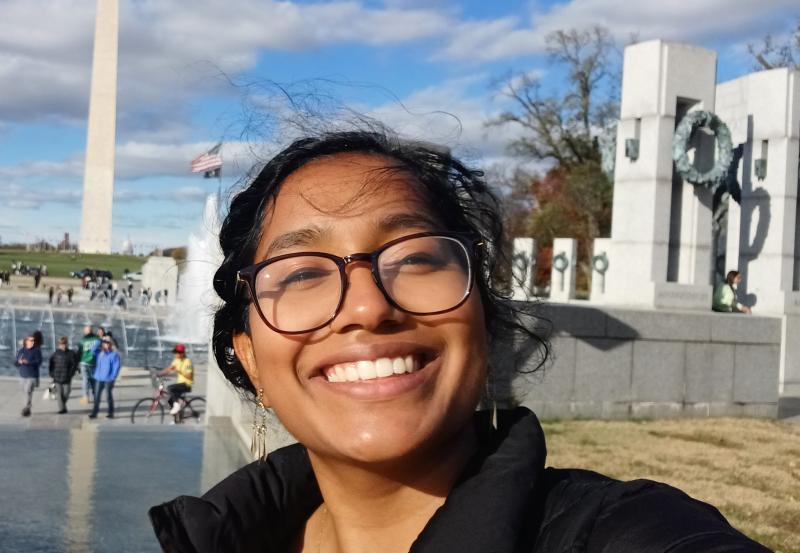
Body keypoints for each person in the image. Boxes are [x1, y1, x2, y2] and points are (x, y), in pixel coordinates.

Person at [149, 131, 768, 552]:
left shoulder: (621, 532)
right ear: (248, 356)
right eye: (304, 272)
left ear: (484, 315)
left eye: (416, 258)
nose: (367, 305)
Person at [88, 337, 121, 419]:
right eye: (104, 343)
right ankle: (94, 413)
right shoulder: (99, 353)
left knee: (108, 396)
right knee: (96, 397)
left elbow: (116, 367)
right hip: (99, 378)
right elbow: (92, 349)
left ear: (110, 344)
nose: (105, 344)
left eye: (107, 343)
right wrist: (99, 340)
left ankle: (111, 413)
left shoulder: (114, 355)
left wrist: (113, 377)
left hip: (108, 379)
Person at [158, 344, 194, 415]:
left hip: (186, 384)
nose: (176, 354)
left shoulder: (187, 361)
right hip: (180, 384)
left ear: (182, 353)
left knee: (170, 388)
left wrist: (180, 370)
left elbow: (190, 376)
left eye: (178, 352)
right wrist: (159, 374)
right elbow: (169, 369)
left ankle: (177, 405)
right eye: (176, 352)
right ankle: (177, 419)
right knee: (170, 402)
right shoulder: (176, 360)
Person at [49, 336, 78, 414]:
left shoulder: (71, 353)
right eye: (61, 344)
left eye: (64, 343)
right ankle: (62, 409)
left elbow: (74, 365)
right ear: (59, 345)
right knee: (59, 393)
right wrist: (51, 374)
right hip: (57, 377)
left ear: (67, 344)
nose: (63, 345)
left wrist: (71, 373)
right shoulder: (55, 354)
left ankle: (63, 405)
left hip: (67, 377)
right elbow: (51, 364)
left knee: (67, 392)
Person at [15, 335, 42, 417]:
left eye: (33, 340)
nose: (32, 342)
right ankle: (27, 408)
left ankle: (26, 408)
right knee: (23, 392)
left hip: (32, 375)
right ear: (26, 341)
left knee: (28, 391)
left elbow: (39, 362)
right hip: (23, 375)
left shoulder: (37, 351)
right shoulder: (21, 351)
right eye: (30, 340)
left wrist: (28, 362)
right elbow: (15, 363)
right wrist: (19, 362)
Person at [77, 325, 101, 404]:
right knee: (94, 380)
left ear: (85, 331)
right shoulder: (97, 339)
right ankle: (95, 397)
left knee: (85, 380)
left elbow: (79, 353)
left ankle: (86, 397)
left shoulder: (82, 340)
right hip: (94, 362)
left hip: (84, 362)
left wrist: (77, 364)